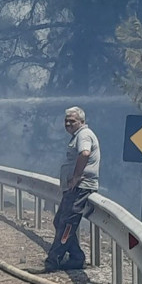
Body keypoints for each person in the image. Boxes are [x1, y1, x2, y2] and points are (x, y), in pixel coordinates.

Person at [43, 106, 100, 272]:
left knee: (67, 224)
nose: (68, 124)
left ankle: (53, 261)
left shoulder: (83, 135)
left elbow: (84, 153)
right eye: (66, 121)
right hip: (74, 188)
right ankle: (76, 258)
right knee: (59, 220)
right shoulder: (77, 135)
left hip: (80, 187)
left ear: (81, 122)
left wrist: (76, 176)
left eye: (72, 121)